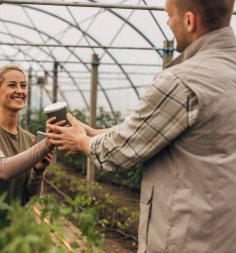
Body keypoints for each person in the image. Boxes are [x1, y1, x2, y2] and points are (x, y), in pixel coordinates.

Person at [46, 0, 236, 252]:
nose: (167, 23)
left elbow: (118, 152)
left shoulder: (181, 81)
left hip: (186, 238)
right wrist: (92, 133)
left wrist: (82, 141)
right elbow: (156, 133)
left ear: (190, 21)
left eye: (169, 15)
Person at [0, 65, 56, 213]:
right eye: (12, 85)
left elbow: (31, 198)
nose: (20, 91)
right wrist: (46, 143)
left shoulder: (29, 139)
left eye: (23, 85)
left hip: (14, 222)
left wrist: (39, 171)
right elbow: (3, 169)